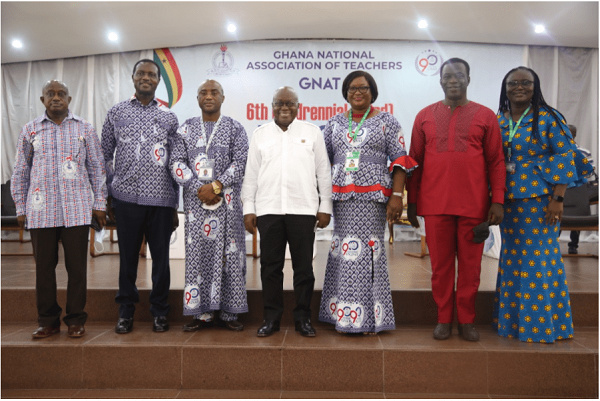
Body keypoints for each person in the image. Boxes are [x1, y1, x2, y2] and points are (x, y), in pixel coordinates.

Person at [407, 58, 506, 342]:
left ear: (468, 79)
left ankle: (466, 320)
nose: (453, 80)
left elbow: (497, 161)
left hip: (474, 208)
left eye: (459, 75)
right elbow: (415, 162)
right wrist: (412, 203)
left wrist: (496, 201)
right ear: (439, 80)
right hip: (435, 206)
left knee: (471, 269)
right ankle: (443, 319)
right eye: (447, 76)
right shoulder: (424, 115)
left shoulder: (485, 116)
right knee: (440, 268)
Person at [493, 66, 591, 343]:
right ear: (505, 87)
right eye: (513, 82)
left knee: (539, 259)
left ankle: (546, 325)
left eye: (526, 82)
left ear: (536, 87)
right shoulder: (499, 119)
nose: (519, 87)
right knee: (512, 258)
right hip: (509, 201)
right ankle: (514, 324)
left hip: (542, 200)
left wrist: (558, 199)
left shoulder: (549, 117)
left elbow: (565, 155)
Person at [317, 71, 417, 335]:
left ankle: (367, 319)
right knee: (343, 250)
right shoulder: (335, 123)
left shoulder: (387, 121)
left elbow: (399, 161)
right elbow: (321, 161)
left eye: (362, 88)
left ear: (372, 91)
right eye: (351, 89)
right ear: (345, 93)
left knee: (367, 254)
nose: (357, 92)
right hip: (341, 197)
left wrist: (396, 196)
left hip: (373, 198)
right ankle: (341, 314)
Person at [11, 80, 107, 339]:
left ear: (69, 99)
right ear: (42, 100)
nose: (56, 98)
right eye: (50, 94)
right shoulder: (30, 130)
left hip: (76, 210)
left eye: (61, 94)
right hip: (40, 211)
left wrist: (99, 204)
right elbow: (20, 172)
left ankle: (76, 320)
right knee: (44, 269)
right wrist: (21, 207)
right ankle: (48, 320)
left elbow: (97, 169)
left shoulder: (84, 129)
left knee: (77, 269)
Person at [241, 86, 332, 337]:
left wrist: (325, 207)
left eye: (290, 103)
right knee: (270, 268)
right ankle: (271, 318)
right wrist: (249, 209)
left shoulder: (312, 133)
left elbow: (323, 173)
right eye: (279, 103)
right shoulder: (260, 134)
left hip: (303, 210)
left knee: (304, 268)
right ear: (271, 106)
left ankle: (303, 318)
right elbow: (251, 177)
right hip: (269, 210)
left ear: (298, 106)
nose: (284, 107)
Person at [102, 59, 179, 334]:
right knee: (128, 259)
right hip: (126, 200)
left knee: (161, 260)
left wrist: (174, 205)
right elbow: (103, 155)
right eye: (141, 73)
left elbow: (176, 162)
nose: (146, 77)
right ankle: (126, 312)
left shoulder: (169, 116)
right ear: (133, 77)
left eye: (151, 74)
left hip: (160, 200)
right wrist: (110, 193)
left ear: (158, 81)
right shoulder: (116, 112)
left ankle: (160, 312)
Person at [169, 80, 249, 331]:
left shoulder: (236, 128)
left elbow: (242, 162)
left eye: (214, 92)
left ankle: (229, 313)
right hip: (195, 206)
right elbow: (176, 163)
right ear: (197, 98)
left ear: (223, 98)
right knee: (197, 258)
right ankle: (200, 313)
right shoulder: (185, 129)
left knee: (230, 257)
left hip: (227, 205)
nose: (209, 96)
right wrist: (197, 188)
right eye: (203, 92)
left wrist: (215, 187)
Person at [566, 124, 597, 255]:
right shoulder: (584, 151)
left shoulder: (559, 151)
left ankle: (558, 243)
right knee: (578, 211)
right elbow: (591, 174)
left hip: (568, 190)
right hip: (577, 191)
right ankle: (573, 245)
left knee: (566, 213)